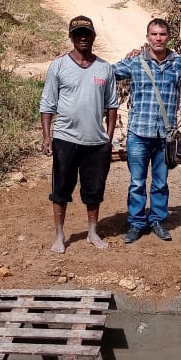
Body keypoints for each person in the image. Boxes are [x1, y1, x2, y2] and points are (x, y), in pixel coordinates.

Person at [113, 18, 181, 243]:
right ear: (147, 37)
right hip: (138, 133)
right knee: (137, 182)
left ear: (169, 37)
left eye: (162, 34)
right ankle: (136, 223)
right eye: (154, 34)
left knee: (160, 182)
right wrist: (72, 60)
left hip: (164, 136)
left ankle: (157, 220)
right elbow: (105, 72)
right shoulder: (135, 62)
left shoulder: (177, 63)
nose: (158, 38)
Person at [40, 15, 118, 253]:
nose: (83, 37)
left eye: (87, 33)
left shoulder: (105, 68)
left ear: (94, 36)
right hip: (65, 139)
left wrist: (109, 137)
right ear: (71, 37)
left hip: (96, 141)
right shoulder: (59, 66)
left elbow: (112, 104)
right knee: (61, 189)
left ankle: (92, 232)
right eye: (78, 34)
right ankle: (59, 235)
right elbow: (47, 103)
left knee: (94, 189)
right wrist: (47, 136)